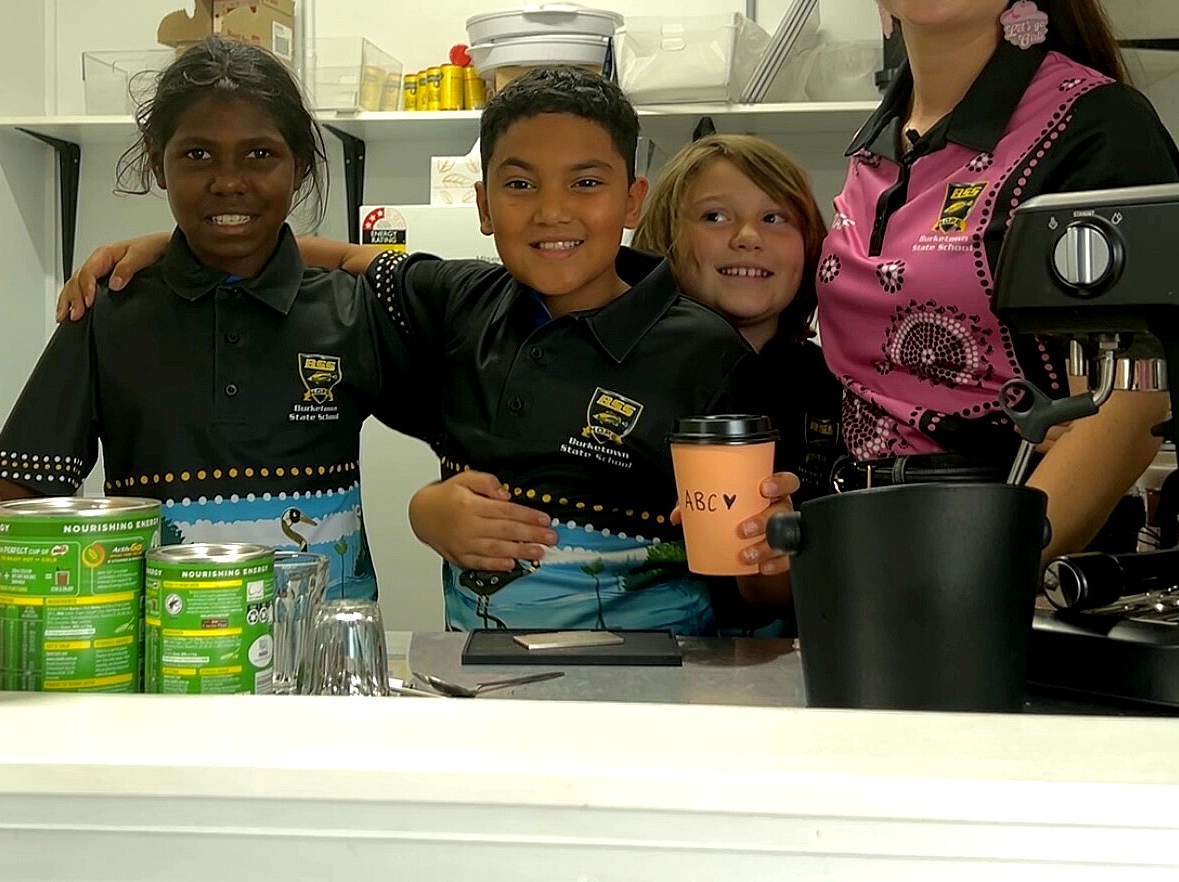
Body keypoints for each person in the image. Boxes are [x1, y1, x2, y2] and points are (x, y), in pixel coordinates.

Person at [58, 67, 800, 634]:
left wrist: (769, 557)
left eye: (586, 183)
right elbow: (341, 258)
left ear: (633, 200)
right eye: (518, 183)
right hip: (481, 691)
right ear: (480, 203)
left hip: (656, 699)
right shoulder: (457, 302)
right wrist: (187, 244)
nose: (551, 211)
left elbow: (761, 587)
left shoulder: (704, 353)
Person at [822, 0, 1179, 561]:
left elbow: (1131, 400)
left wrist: (973, 574)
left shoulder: (1093, 129)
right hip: (860, 542)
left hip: (1014, 554)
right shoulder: (874, 146)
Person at [0, 36, 422, 601]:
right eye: (197, 155)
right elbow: (21, 494)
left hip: (322, 668)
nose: (228, 180)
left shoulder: (351, 308)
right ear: (157, 163)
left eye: (260, 154)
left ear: (300, 164)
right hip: (161, 661)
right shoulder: (108, 308)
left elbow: (467, 430)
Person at [630, 134, 840, 499]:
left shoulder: (836, 388)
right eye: (715, 216)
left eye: (774, 217)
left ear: (809, 245)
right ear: (666, 237)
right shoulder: (616, 372)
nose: (748, 237)